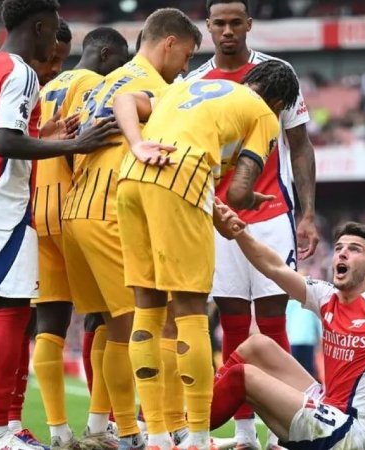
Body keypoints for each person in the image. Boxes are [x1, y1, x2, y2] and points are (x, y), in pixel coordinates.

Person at [0, 0, 119, 448]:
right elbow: (4, 142)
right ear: (40, 26)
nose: (53, 49)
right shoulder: (20, 72)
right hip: (0, 207)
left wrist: (43, 137)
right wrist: (79, 142)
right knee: (10, 316)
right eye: (52, 36)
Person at [112, 59, 300, 450]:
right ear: (280, 103)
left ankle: (158, 437)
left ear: (250, 79)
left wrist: (137, 142)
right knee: (191, 312)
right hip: (183, 182)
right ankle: (197, 436)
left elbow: (124, 99)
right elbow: (237, 191)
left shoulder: (185, 88)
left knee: (147, 308)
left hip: (131, 179)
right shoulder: (264, 113)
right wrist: (248, 198)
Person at [59, 8, 202, 450]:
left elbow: (72, 143)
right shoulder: (154, 87)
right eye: (188, 56)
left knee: (110, 328)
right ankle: (159, 427)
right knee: (155, 324)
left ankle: (105, 426)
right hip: (111, 211)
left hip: (76, 210)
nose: (187, 68)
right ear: (170, 43)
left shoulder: (103, 82)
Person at [184, 3, 319, 447]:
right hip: (218, 216)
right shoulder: (194, 82)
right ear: (207, 27)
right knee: (234, 321)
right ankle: (244, 434)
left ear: (248, 25)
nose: (226, 31)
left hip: (273, 216)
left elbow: (299, 146)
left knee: (275, 321)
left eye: (234, 22)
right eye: (218, 23)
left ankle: (284, 429)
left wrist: (308, 213)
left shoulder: (278, 75)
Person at [210, 218, 365, 450]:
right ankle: (227, 431)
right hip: (326, 407)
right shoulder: (326, 296)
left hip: (353, 434)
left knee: (241, 376)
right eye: (339, 248)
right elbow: (273, 267)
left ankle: (191, 433)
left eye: (354, 249)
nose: (342, 254)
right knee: (256, 346)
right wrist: (239, 233)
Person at [31, 27, 130, 450]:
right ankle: (98, 425)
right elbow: (87, 147)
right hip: (78, 206)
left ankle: (57, 431)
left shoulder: (48, 86)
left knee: (50, 325)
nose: (122, 72)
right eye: (121, 63)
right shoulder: (95, 84)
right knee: (109, 318)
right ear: (105, 54)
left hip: (40, 208)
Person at [285, 299, 322, 379]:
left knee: (293, 369)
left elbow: (286, 320)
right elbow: (318, 322)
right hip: (308, 339)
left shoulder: (289, 302)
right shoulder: (311, 302)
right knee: (308, 370)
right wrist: (321, 337)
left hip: (293, 340)